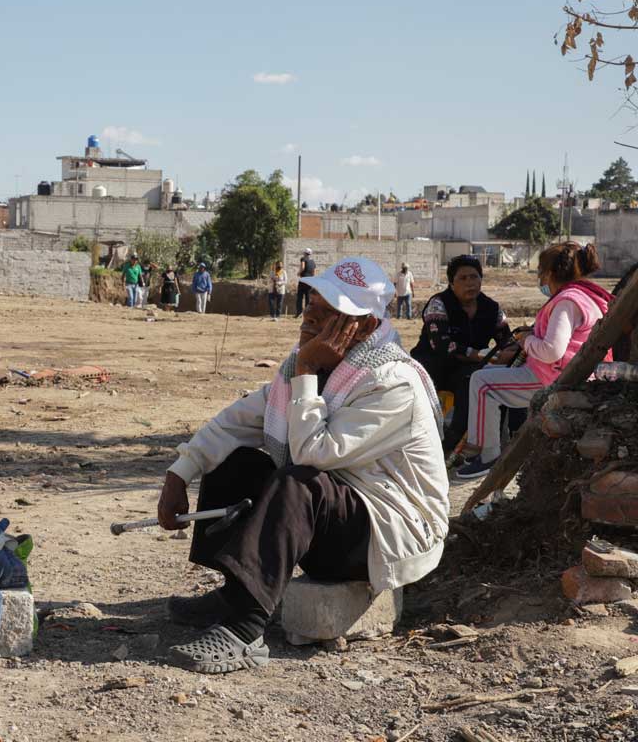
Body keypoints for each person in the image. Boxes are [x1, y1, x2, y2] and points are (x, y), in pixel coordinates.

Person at [158, 258, 449, 674]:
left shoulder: (391, 382)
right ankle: (234, 594)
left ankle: (245, 630)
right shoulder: (311, 367)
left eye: (329, 311)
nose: (310, 315)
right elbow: (237, 421)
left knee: (299, 481)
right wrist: (179, 472)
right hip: (340, 516)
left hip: (389, 534)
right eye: (312, 301)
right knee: (237, 461)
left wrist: (308, 369)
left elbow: (314, 452)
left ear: (364, 326)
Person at [456, 242, 613, 480]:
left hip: (555, 378)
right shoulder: (585, 296)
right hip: (572, 374)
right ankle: (493, 447)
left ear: (549, 273)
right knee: (488, 376)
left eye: (540, 271)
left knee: (482, 382)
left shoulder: (566, 302)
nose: (539, 277)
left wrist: (527, 340)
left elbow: (552, 350)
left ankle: (487, 456)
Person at [410, 255, 513, 455]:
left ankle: (495, 441)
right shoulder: (438, 304)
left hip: (468, 368)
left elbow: (507, 340)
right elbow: (443, 346)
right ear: (451, 283)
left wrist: (510, 351)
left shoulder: (492, 308)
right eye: (463, 278)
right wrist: (484, 356)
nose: (470, 283)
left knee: (486, 379)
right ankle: (449, 444)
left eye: (474, 277)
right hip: (433, 368)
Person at [295, 248, 316, 316]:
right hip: (309, 281)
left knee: (300, 297)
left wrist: (299, 272)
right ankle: (307, 313)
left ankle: (299, 312)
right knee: (308, 298)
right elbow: (314, 272)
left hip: (303, 280)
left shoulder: (303, 259)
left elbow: (303, 267)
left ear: (304, 253)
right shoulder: (313, 261)